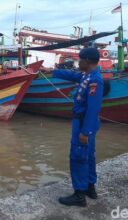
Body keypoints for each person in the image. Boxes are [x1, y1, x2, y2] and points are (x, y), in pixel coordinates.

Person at [43, 48, 104, 207]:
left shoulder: (95, 80)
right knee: (89, 155)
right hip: (85, 122)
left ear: (88, 61)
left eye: (80, 59)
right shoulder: (88, 75)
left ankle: (79, 194)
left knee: (78, 157)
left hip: (84, 122)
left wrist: (85, 131)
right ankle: (90, 187)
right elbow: (73, 75)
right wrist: (53, 71)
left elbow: (93, 108)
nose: (78, 62)